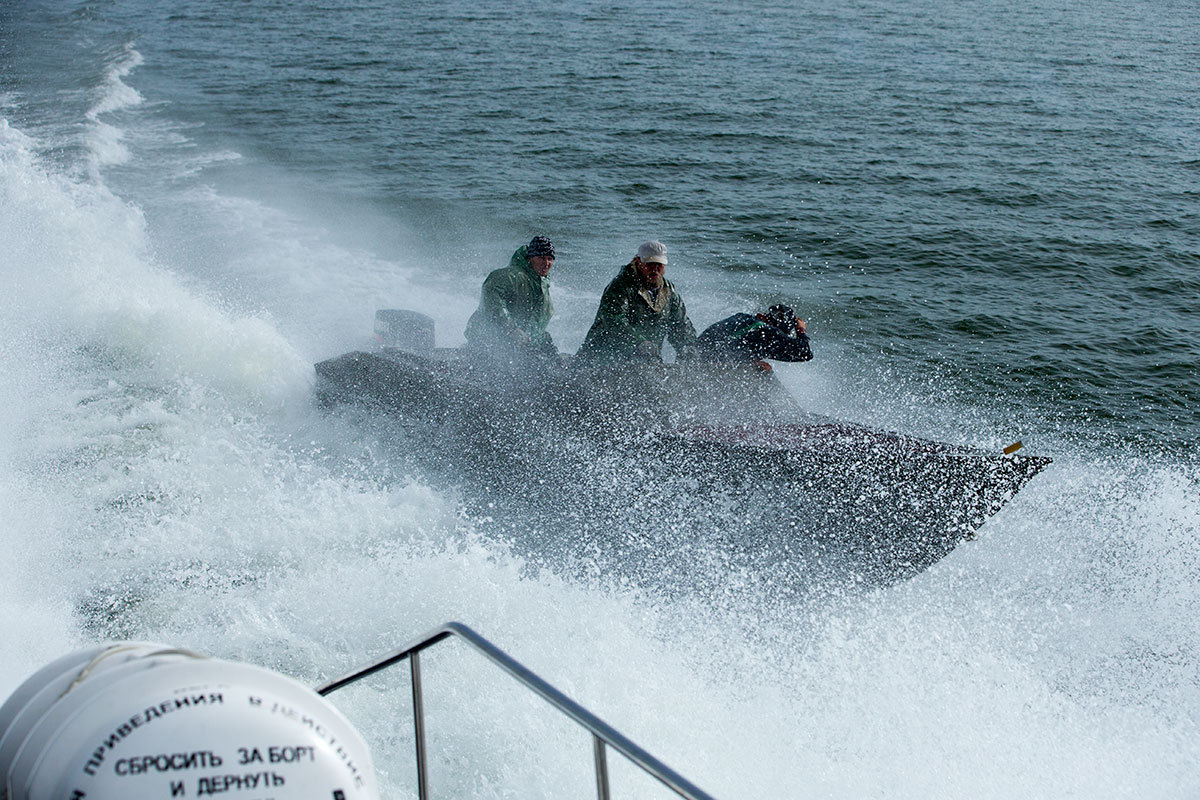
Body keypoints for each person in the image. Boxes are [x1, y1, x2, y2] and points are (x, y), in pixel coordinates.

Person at [576, 240, 698, 364]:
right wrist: (639, 343)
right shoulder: (620, 287)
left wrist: (686, 345)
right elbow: (614, 321)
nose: (655, 269)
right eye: (650, 264)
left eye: (659, 265)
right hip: (603, 358)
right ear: (638, 262)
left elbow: (680, 324)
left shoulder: (669, 290)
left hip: (644, 360)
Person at [464, 235, 559, 364]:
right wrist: (511, 329)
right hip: (489, 341)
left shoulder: (541, 283)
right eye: (541, 258)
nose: (546, 263)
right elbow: (493, 300)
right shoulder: (508, 276)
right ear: (530, 258)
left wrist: (543, 343)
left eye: (550, 259)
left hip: (519, 344)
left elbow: (536, 322)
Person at [695, 304, 812, 372]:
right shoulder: (769, 332)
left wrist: (749, 361)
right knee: (763, 372)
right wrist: (801, 330)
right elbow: (805, 353)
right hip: (708, 366)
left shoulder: (743, 317)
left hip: (695, 355)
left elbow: (731, 344)